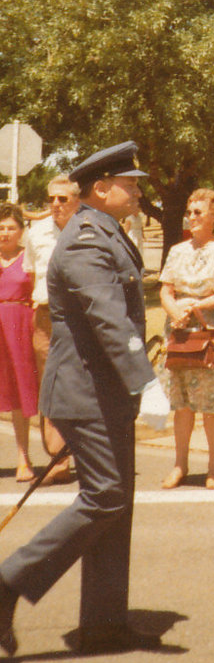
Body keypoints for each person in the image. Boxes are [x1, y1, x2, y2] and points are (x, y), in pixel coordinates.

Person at [0, 141, 170, 658]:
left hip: (104, 394)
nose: (137, 189)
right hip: (86, 394)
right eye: (130, 182)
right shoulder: (84, 242)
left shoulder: (107, 232)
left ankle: (103, 624)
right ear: (100, 188)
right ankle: (8, 581)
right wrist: (146, 380)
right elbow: (109, 320)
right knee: (105, 498)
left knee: (117, 508)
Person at [159, 187, 214, 490]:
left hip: (210, 330)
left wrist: (198, 305)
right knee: (182, 403)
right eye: (189, 211)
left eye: (197, 212)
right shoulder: (177, 251)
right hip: (179, 329)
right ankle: (179, 465)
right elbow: (166, 289)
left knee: (210, 404)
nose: (191, 217)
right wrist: (174, 309)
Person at [22, 175, 79, 482]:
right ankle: (57, 459)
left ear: (77, 200)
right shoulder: (36, 232)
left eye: (63, 199)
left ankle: (81, 454)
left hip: (78, 320)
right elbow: (32, 275)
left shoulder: (87, 230)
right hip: (45, 317)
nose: (56, 204)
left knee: (79, 386)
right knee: (49, 387)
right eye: (52, 199)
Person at [0, 207, 39, 481]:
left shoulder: (29, 259)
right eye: (1, 227)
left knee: (19, 392)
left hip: (19, 328)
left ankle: (23, 458)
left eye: (11, 227)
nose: (5, 233)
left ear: (21, 231)